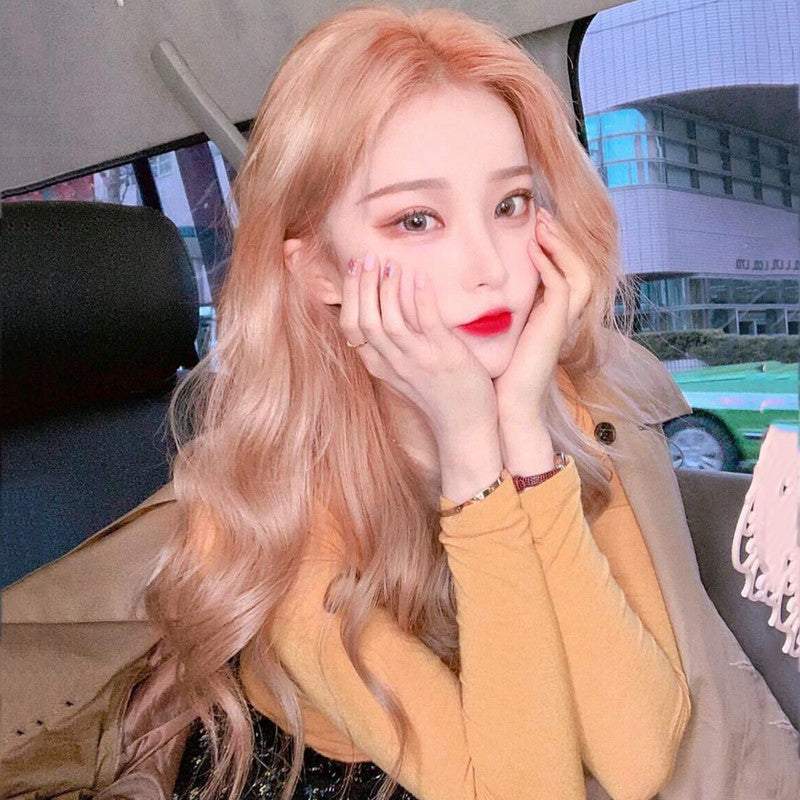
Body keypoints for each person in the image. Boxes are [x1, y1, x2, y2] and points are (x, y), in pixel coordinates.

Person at [4, 3, 799, 800]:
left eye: (510, 204)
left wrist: (523, 435)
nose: (489, 266)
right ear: (320, 270)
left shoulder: (574, 405)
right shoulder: (268, 507)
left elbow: (639, 759)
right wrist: (472, 454)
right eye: (416, 220)